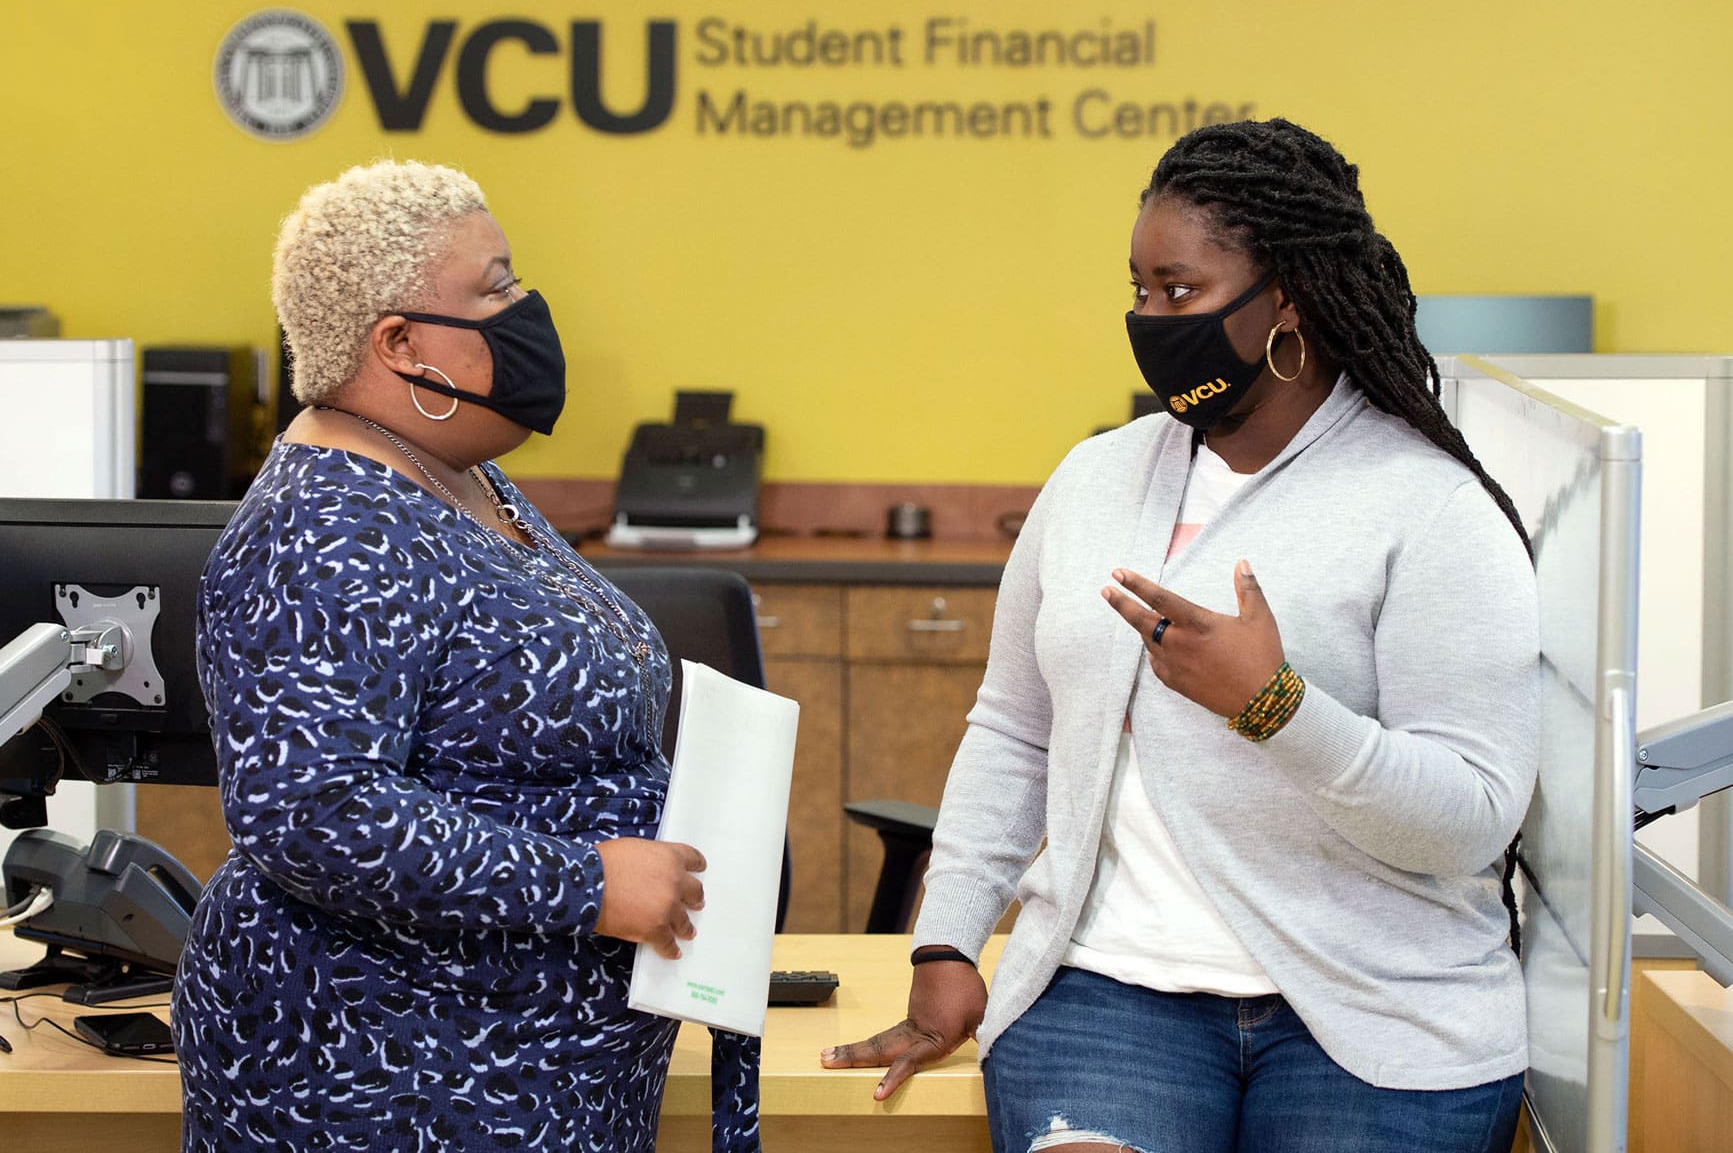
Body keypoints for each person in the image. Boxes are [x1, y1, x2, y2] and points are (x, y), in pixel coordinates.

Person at [823, 119, 1539, 1153]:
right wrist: (947, 931)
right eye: (1138, 290)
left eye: (1180, 291)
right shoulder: (1094, 478)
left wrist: (1275, 708)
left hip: (1379, 1005)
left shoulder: (1429, 508)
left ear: (1284, 301)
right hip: (1115, 994)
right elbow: (1014, 727)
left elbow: (1470, 818)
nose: (1150, 318)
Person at [171, 160, 759, 1151]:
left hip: (525, 1062)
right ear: (397, 342)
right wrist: (587, 882)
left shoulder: (458, 472)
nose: (526, 307)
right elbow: (312, 813)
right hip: (384, 1066)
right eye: (494, 286)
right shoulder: (322, 528)